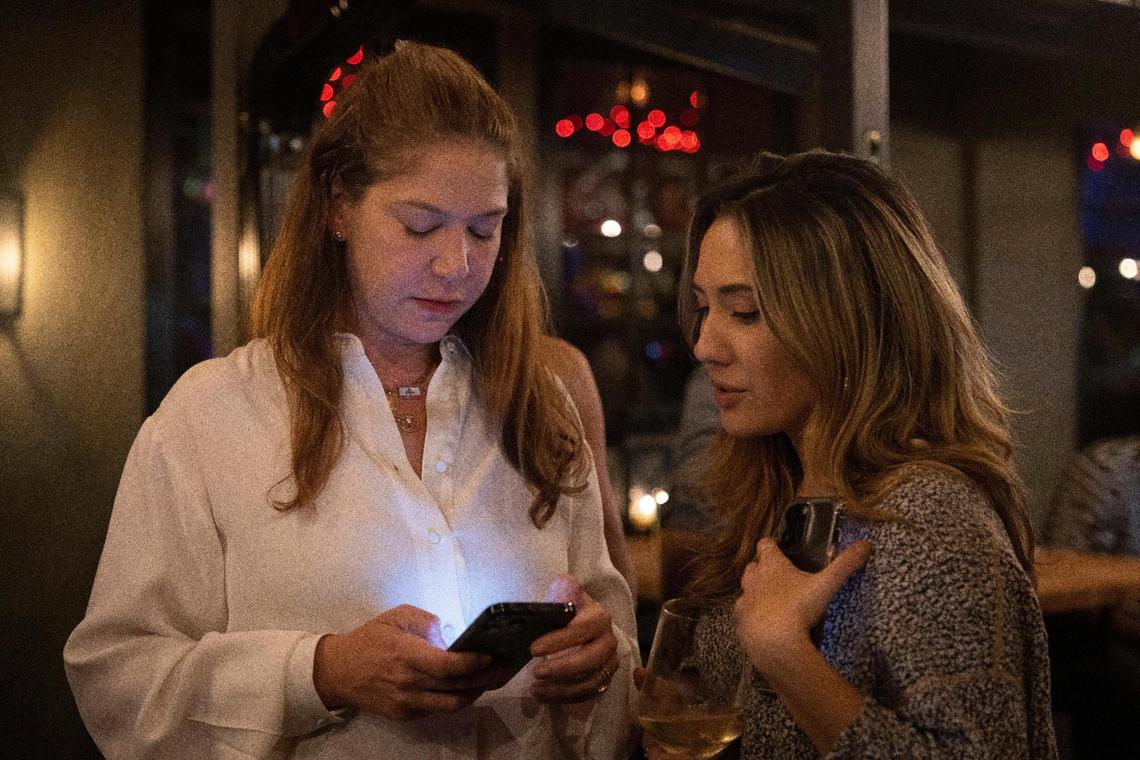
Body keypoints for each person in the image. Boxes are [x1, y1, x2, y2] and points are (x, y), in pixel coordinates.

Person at [64, 41, 638, 759]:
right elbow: (119, 682)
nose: (456, 264)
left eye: (483, 229)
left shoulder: (538, 406)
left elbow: (622, 674)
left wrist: (599, 662)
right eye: (419, 225)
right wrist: (320, 672)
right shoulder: (213, 416)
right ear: (339, 205)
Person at [642, 151, 1057, 758]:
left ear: (846, 323)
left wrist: (788, 658)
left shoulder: (928, 519)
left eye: (744, 312)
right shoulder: (785, 491)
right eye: (704, 308)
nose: (705, 344)